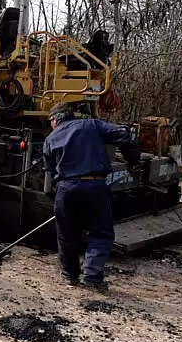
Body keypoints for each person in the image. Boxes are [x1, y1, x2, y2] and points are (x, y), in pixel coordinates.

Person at [42, 102, 140, 292]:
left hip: (66, 189)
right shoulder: (92, 125)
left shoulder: (50, 139)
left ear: (55, 120)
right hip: (94, 185)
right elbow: (122, 133)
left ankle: (70, 276)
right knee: (101, 232)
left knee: (66, 235)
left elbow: (49, 169)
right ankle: (92, 277)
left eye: (50, 122)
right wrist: (132, 159)